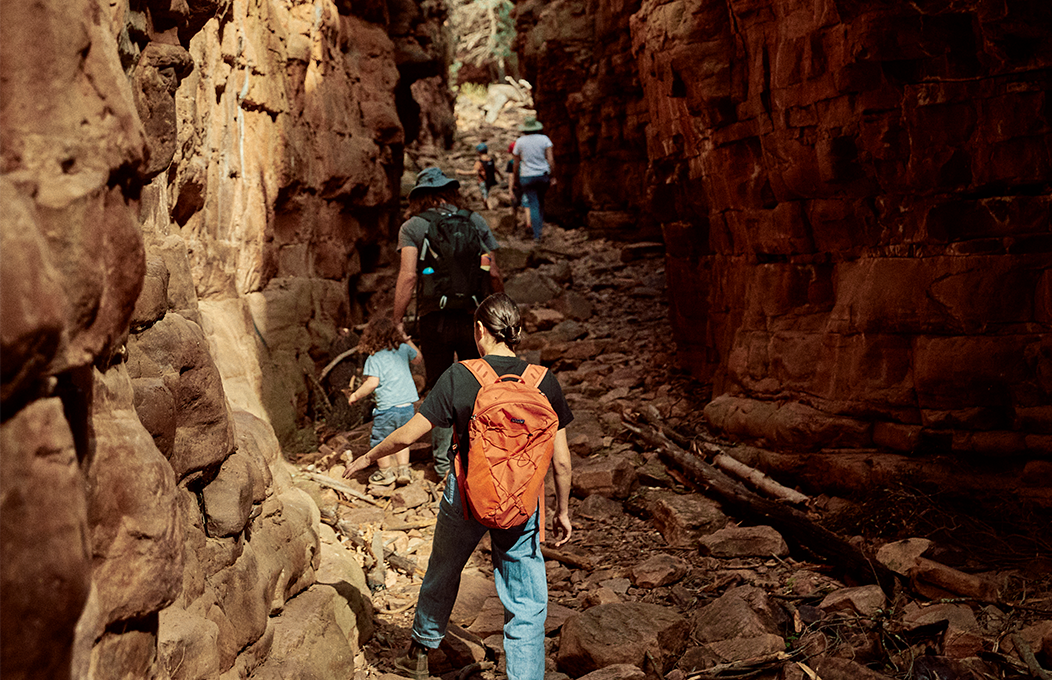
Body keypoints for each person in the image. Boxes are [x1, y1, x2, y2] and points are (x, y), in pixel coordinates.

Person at [343, 293, 574, 680]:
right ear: (515, 333)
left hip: (467, 495)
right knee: (526, 601)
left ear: (479, 330)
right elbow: (562, 461)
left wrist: (368, 457)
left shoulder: (460, 375)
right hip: (521, 501)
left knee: (444, 570)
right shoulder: (543, 381)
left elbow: (407, 436)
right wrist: (563, 511)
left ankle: (418, 656)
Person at [393, 166, 504, 482]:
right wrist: (502, 308)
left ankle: (443, 465)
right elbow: (492, 269)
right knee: (477, 384)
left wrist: (397, 320)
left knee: (439, 387)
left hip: (434, 318)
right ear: (451, 192)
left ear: (418, 197)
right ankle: (477, 455)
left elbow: (409, 275)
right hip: (475, 318)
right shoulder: (474, 221)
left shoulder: (414, 226)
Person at [345, 317, 423, 487]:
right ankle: (404, 470)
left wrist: (355, 395)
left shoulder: (374, 359)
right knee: (402, 438)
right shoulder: (403, 349)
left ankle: (385, 473)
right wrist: (406, 339)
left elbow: (372, 383)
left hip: (387, 408)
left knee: (381, 440)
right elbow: (418, 358)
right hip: (407, 405)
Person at [512, 116, 556, 242]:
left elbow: (516, 164)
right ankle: (539, 229)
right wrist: (553, 176)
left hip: (526, 177)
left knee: (533, 204)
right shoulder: (545, 139)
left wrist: (516, 180)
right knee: (540, 201)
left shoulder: (519, 142)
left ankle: (537, 234)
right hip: (543, 175)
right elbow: (551, 160)